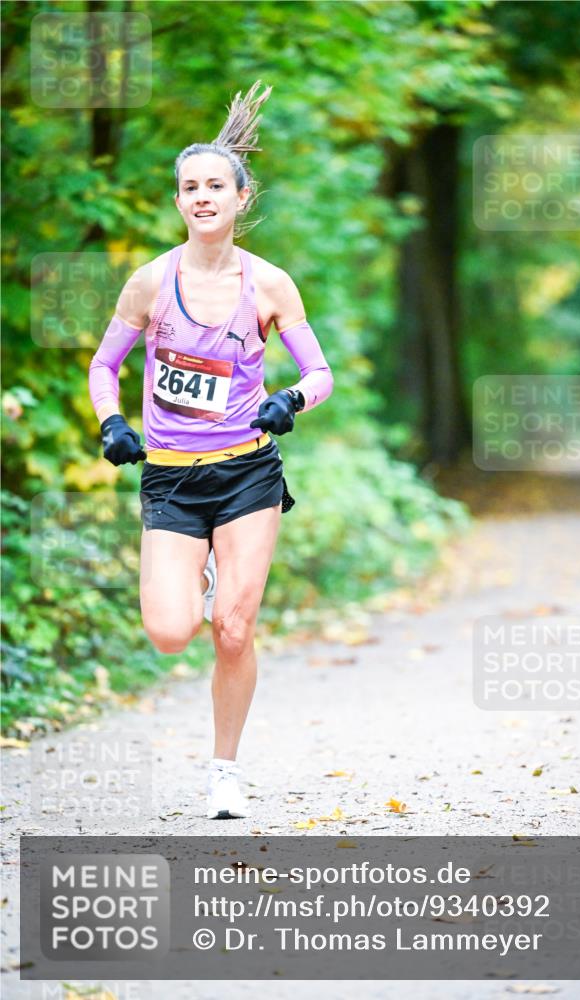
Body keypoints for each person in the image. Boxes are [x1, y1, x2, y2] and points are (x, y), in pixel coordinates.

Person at [88, 82, 333, 819]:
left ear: (240, 196)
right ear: (179, 201)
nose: (201, 197)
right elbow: (105, 366)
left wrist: (288, 400)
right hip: (167, 477)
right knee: (169, 634)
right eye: (188, 187)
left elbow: (320, 373)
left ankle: (224, 771)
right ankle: (192, 584)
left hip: (247, 473)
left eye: (214, 186)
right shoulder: (149, 283)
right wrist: (111, 423)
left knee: (233, 627)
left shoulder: (269, 283)